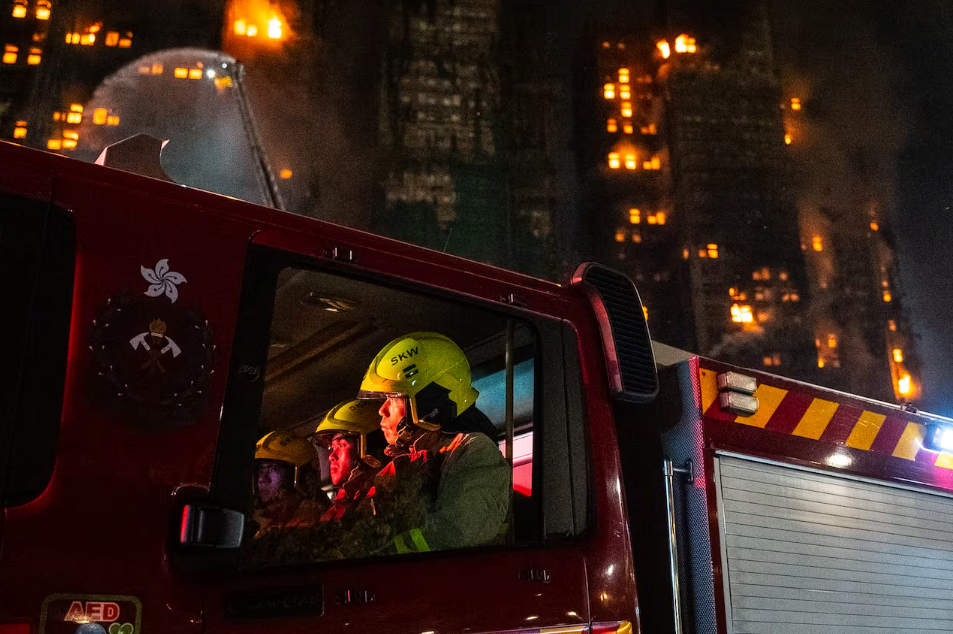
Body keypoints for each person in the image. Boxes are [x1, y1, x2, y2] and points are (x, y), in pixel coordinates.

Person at [356, 332, 511, 554]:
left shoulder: (473, 450)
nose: (382, 410)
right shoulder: (407, 461)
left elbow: (455, 534)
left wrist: (377, 555)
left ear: (430, 400)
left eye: (393, 398)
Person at [312, 399, 386, 522]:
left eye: (341, 445)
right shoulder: (339, 506)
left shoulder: (379, 498)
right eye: (332, 448)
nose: (331, 456)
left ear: (370, 447)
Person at [252, 430, 326, 538]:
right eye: (260, 471)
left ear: (301, 476)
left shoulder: (312, 518)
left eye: (273, 469)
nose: (262, 479)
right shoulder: (259, 520)